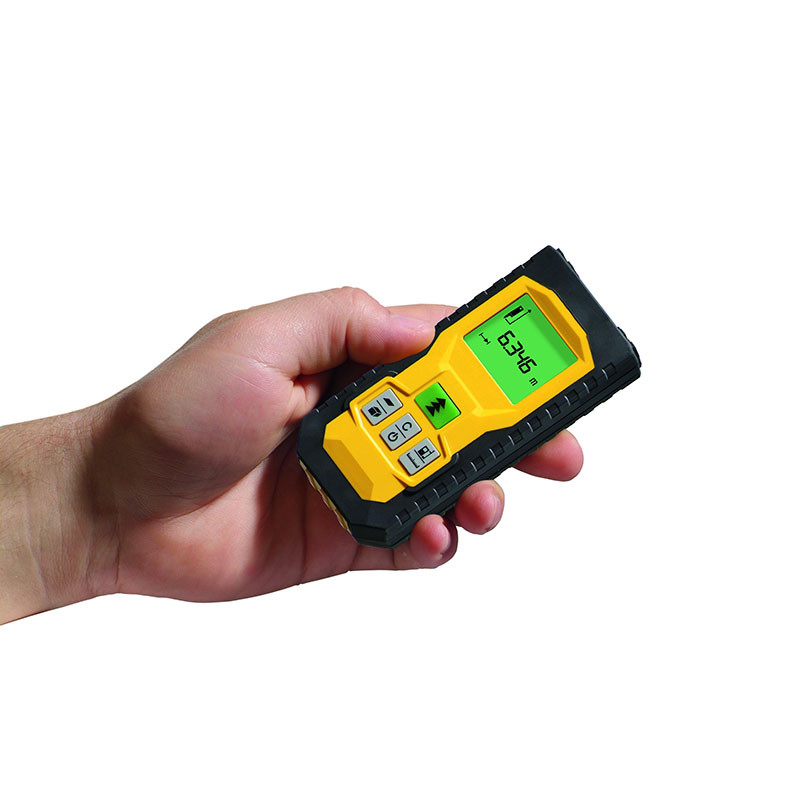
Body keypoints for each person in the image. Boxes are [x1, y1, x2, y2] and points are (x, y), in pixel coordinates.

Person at [0, 288, 583, 624]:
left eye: (521, 361)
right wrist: (98, 490)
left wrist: (90, 506)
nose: (511, 354)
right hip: (317, 447)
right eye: (508, 343)